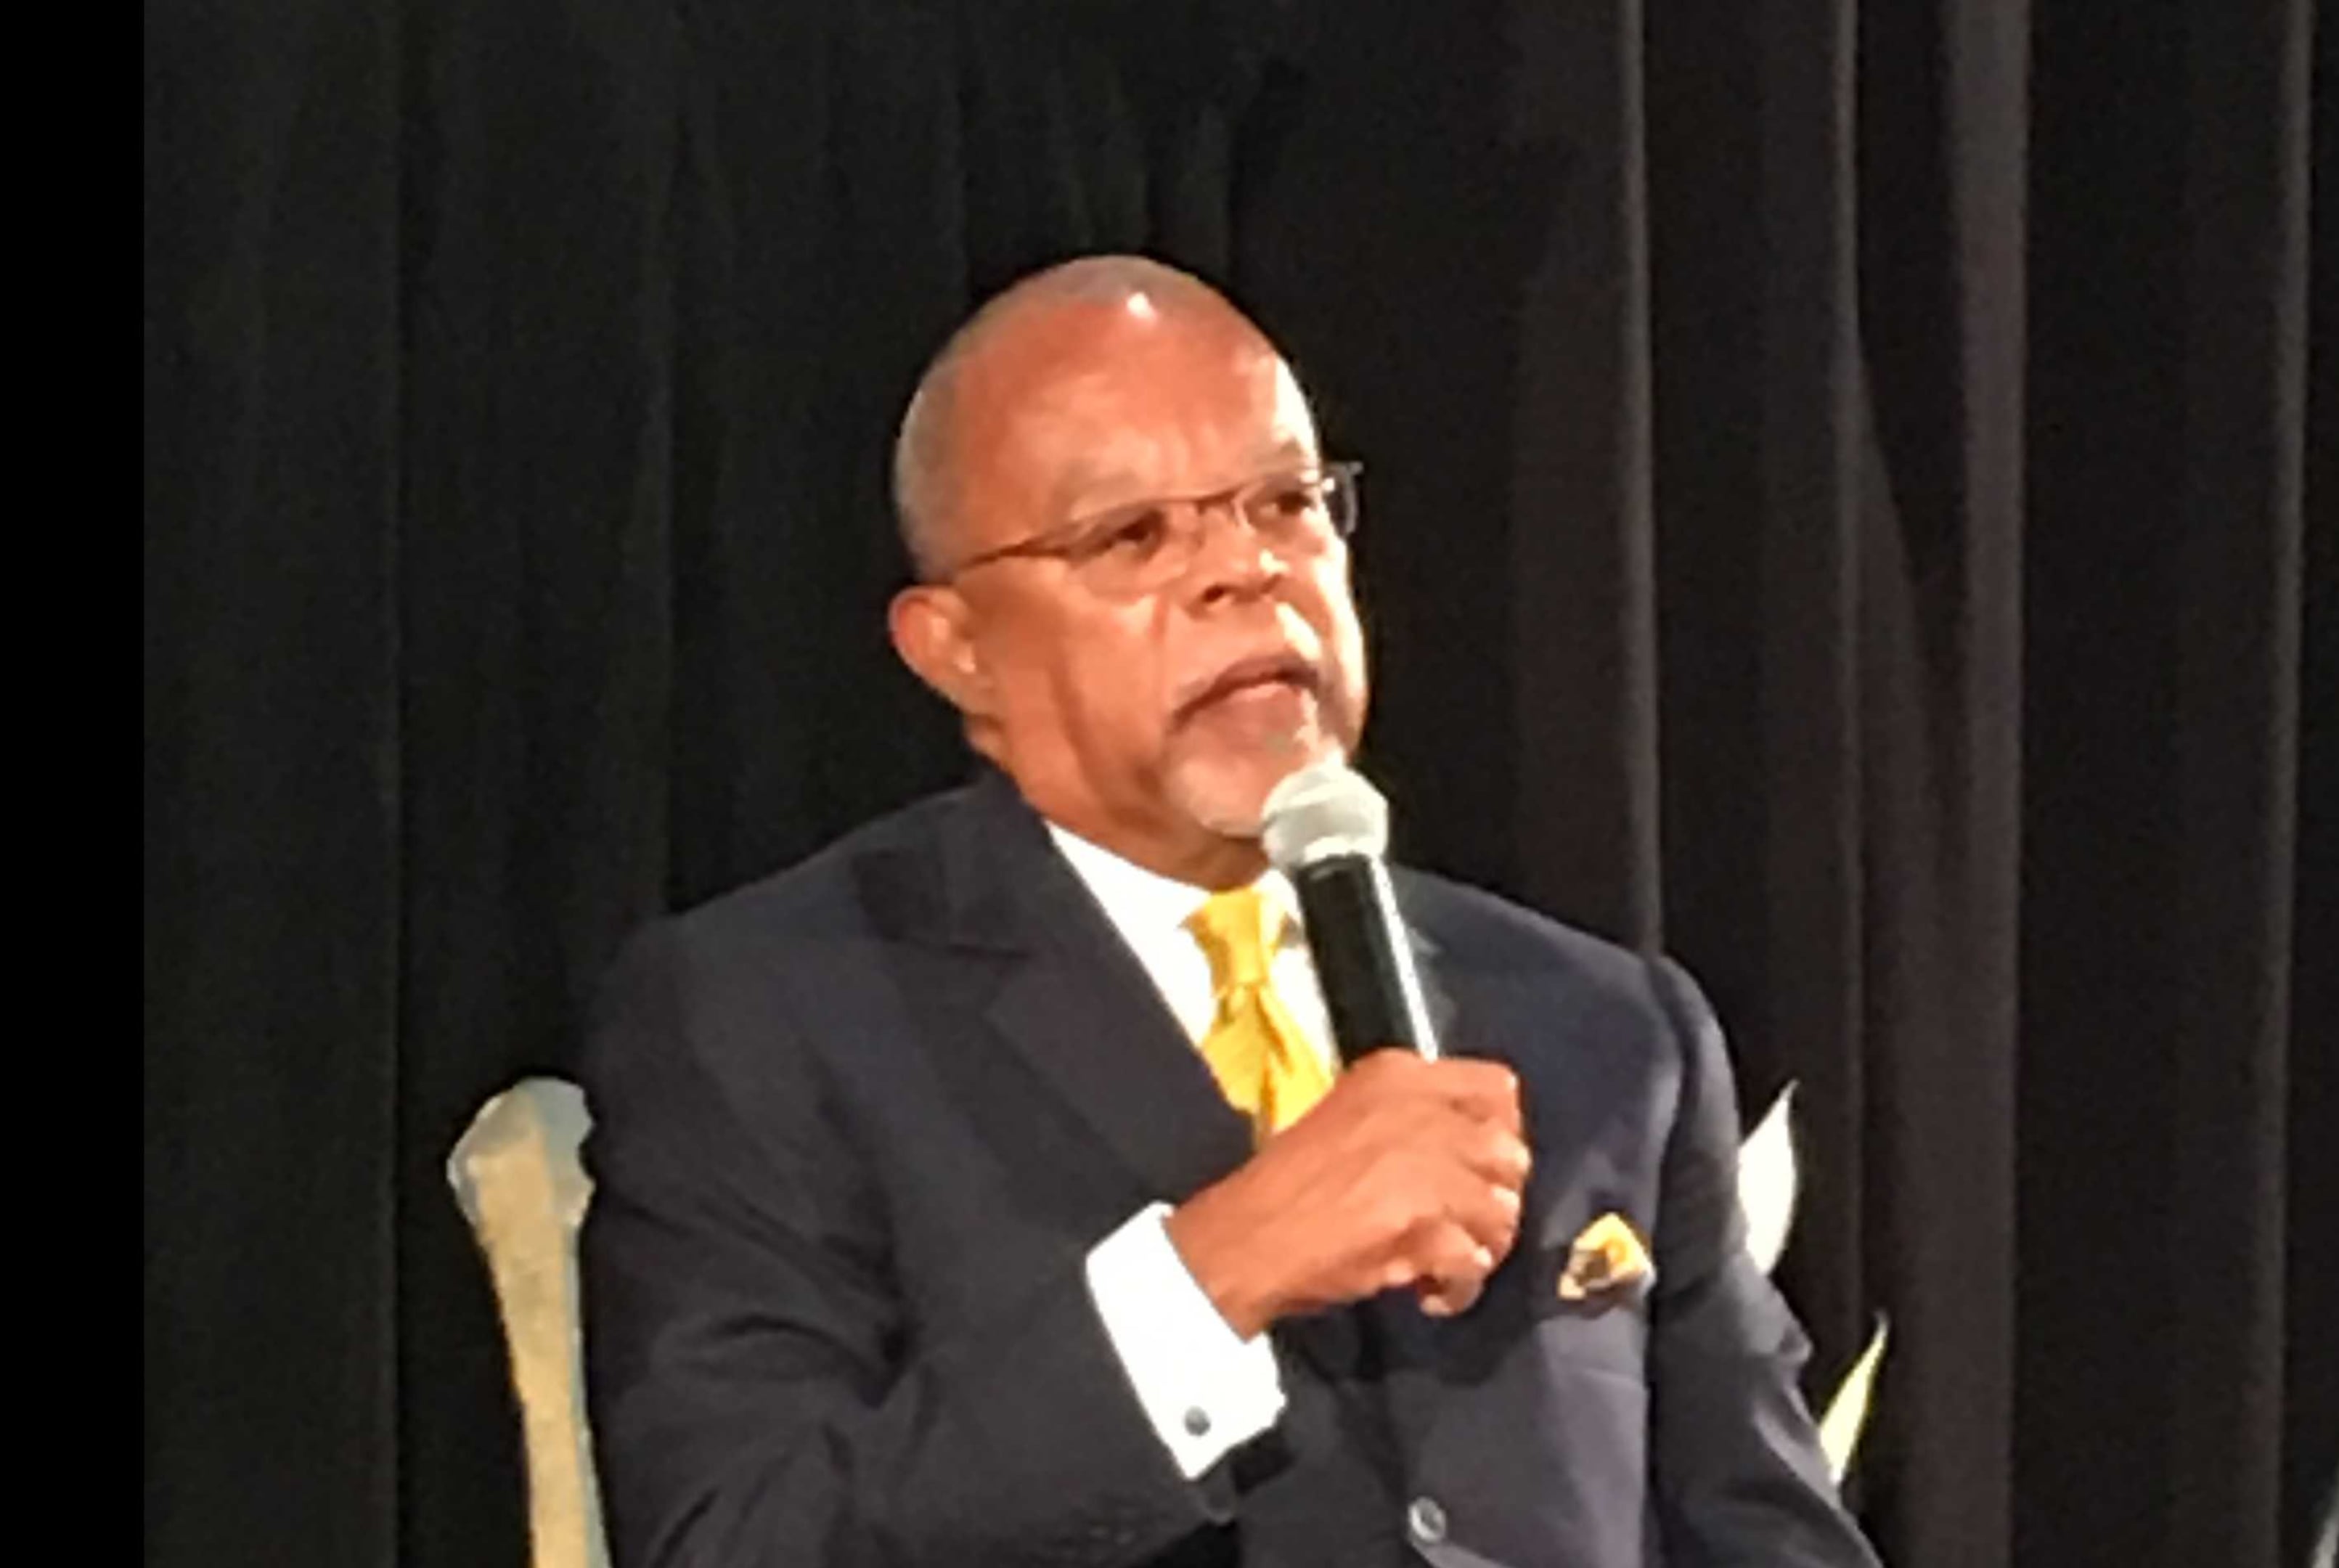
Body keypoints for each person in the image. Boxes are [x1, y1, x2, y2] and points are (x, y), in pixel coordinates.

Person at [579, 253, 1881, 1567]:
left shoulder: (1605, 1027)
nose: (1246, 571)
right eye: (1133, 536)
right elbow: (741, 1540)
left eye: (1285, 503)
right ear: (954, 647)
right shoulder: (772, 1012)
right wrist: (1210, 1279)